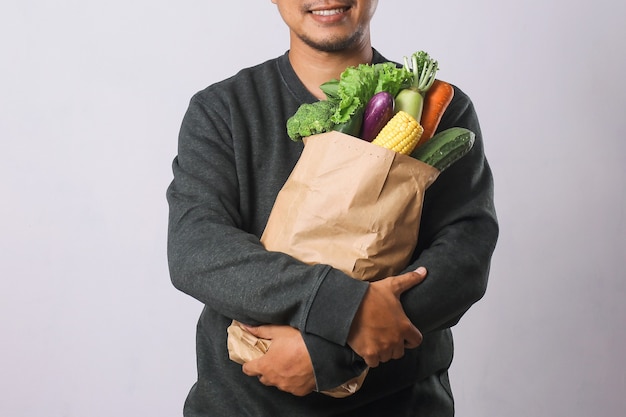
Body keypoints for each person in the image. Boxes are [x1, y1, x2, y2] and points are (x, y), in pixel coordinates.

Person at [166, 1, 498, 416]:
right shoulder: (221, 110)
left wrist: (332, 355)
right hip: (244, 406)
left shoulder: (437, 106)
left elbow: (463, 261)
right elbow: (196, 251)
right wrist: (345, 308)